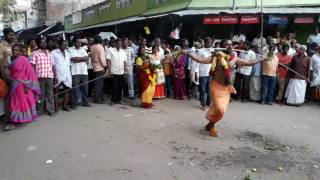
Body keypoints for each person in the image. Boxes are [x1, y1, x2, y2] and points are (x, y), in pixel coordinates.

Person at [189, 39, 261, 137]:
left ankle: (211, 124)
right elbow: (200, 60)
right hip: (215, 86)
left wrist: (262, 59)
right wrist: (188, 53)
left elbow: (249, 62)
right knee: (219, 108)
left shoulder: (233, 57)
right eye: (226, 44)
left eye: (231, 44)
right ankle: (212, 126)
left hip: (227, 88)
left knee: (221, 109)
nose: (229, 46)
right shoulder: (216, 57)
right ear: (222, 46)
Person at [3, 44, 41, 130]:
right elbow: (8, 72)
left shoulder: (23, 59)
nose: (14, 51)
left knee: (22, 103)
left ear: (20, 51)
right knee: (14, 103)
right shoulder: (10, 59)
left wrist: (28, 86)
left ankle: (17, 121)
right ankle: (15, 120)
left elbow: (30, 74)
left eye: (17, 50)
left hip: (23, 85)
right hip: (13, 84)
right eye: (13, 50)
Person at [30, 37, 57, 116]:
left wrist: (56, 75)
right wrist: (34, 77)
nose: (44, 44)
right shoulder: (35, 53)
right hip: (39, 77)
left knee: (50, 94)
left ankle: (51, 110)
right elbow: (32, 66)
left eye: (44, 42)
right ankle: (39, 111)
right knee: (40, 95)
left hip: (49, 76)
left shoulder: (49, 52)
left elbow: (53, 65)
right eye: (41, 42)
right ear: (38, 44)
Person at [69, 37, 91, 109]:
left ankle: (85, 102)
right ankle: (74, 104)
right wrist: (83, 58)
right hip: (75, 72)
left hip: (84, 71)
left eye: (80, 42)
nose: (79, 44)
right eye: (78, 42)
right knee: (75, 89)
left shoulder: (83, 49)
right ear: (74, 43)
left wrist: (80, 58)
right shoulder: (70, 49)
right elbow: (74, 59)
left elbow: (87, 57)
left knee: (85, 88)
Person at [0, 27, 16, 120]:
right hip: (7, 75)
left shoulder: (14, 45)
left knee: (15, 96)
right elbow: (1, 63)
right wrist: (5, 77)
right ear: (5, 35)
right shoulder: (2, 46)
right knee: (8, 97)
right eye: (10, 35)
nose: (12, 36)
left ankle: (15, 116)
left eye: (13, 34)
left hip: (16, 74)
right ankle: (8, 119)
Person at [52, 40, 72, 111]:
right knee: (56, 91)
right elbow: (53, 65)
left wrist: (70, 74)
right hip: (58, 74)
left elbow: (69, 64)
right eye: (63, 44)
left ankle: (65, 105)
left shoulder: (68, 53)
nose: (65, 46)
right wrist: (55, 75)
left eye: (66, 45)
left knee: (66, 90)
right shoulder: (54, 53)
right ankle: (56, 107)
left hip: (67, 74)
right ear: (59, 45)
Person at [107, 39, 128, 104]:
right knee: (114, 86)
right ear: (115, 44)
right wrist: (110, 70)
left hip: (121, 72)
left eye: (120, 43)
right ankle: (113, 100)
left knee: (120, 86)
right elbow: (108, 61)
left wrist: (125, 70)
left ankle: (119, 100)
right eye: (118, 43)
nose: (120, 45)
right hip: (114, 71)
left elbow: (125, 61)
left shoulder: (123, 52)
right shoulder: (111, 51)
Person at [90, 35, 107, 104]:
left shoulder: (92, 47)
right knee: (99, 85)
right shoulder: (100, 47)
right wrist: (105, 65)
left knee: (96, 84)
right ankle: (98, 99)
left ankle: (98, 98)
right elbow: (102, 58)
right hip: (100, 67)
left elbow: (91, 57)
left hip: (94, 66)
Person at [198, 37, 213, 110]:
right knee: (202, 89)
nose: (209, 44)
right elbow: (197, 62)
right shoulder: (201, 51)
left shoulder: (213, 50)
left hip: (210, 73)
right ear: (205, 43)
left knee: (210, 89)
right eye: (208, 42)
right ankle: (203, 104)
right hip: (202, 73)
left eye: (210, 42)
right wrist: (196, 72)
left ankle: (208, 103)